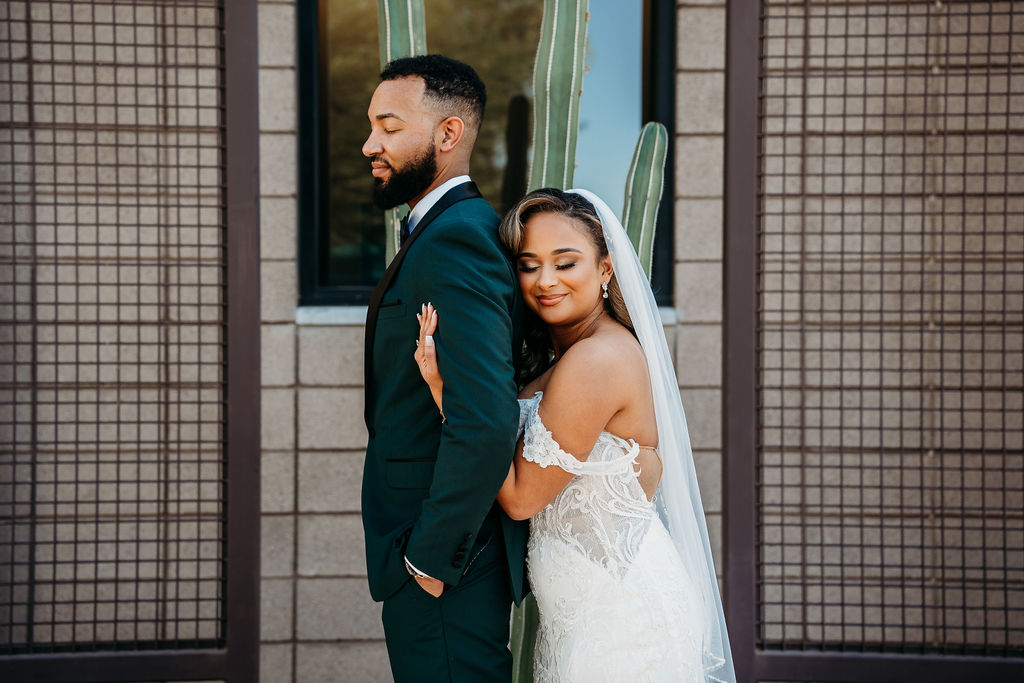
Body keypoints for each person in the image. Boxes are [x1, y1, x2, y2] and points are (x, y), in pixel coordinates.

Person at [414, 188, 737, 682]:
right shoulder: (572, 355)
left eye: (566, 263)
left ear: (605, 269)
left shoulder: (597, 360)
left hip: (622, 622)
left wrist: (448, 398)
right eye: (529, 264)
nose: (546, 281)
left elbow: (522, 498)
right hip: (583, 621)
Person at [360, 54, 529, 682]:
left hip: (445, 563)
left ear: (448, 134)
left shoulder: (457, 240)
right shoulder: (439, 232)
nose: (369, 143)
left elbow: (485, 419)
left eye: (389, 126)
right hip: (438, 558)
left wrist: (430, 559)